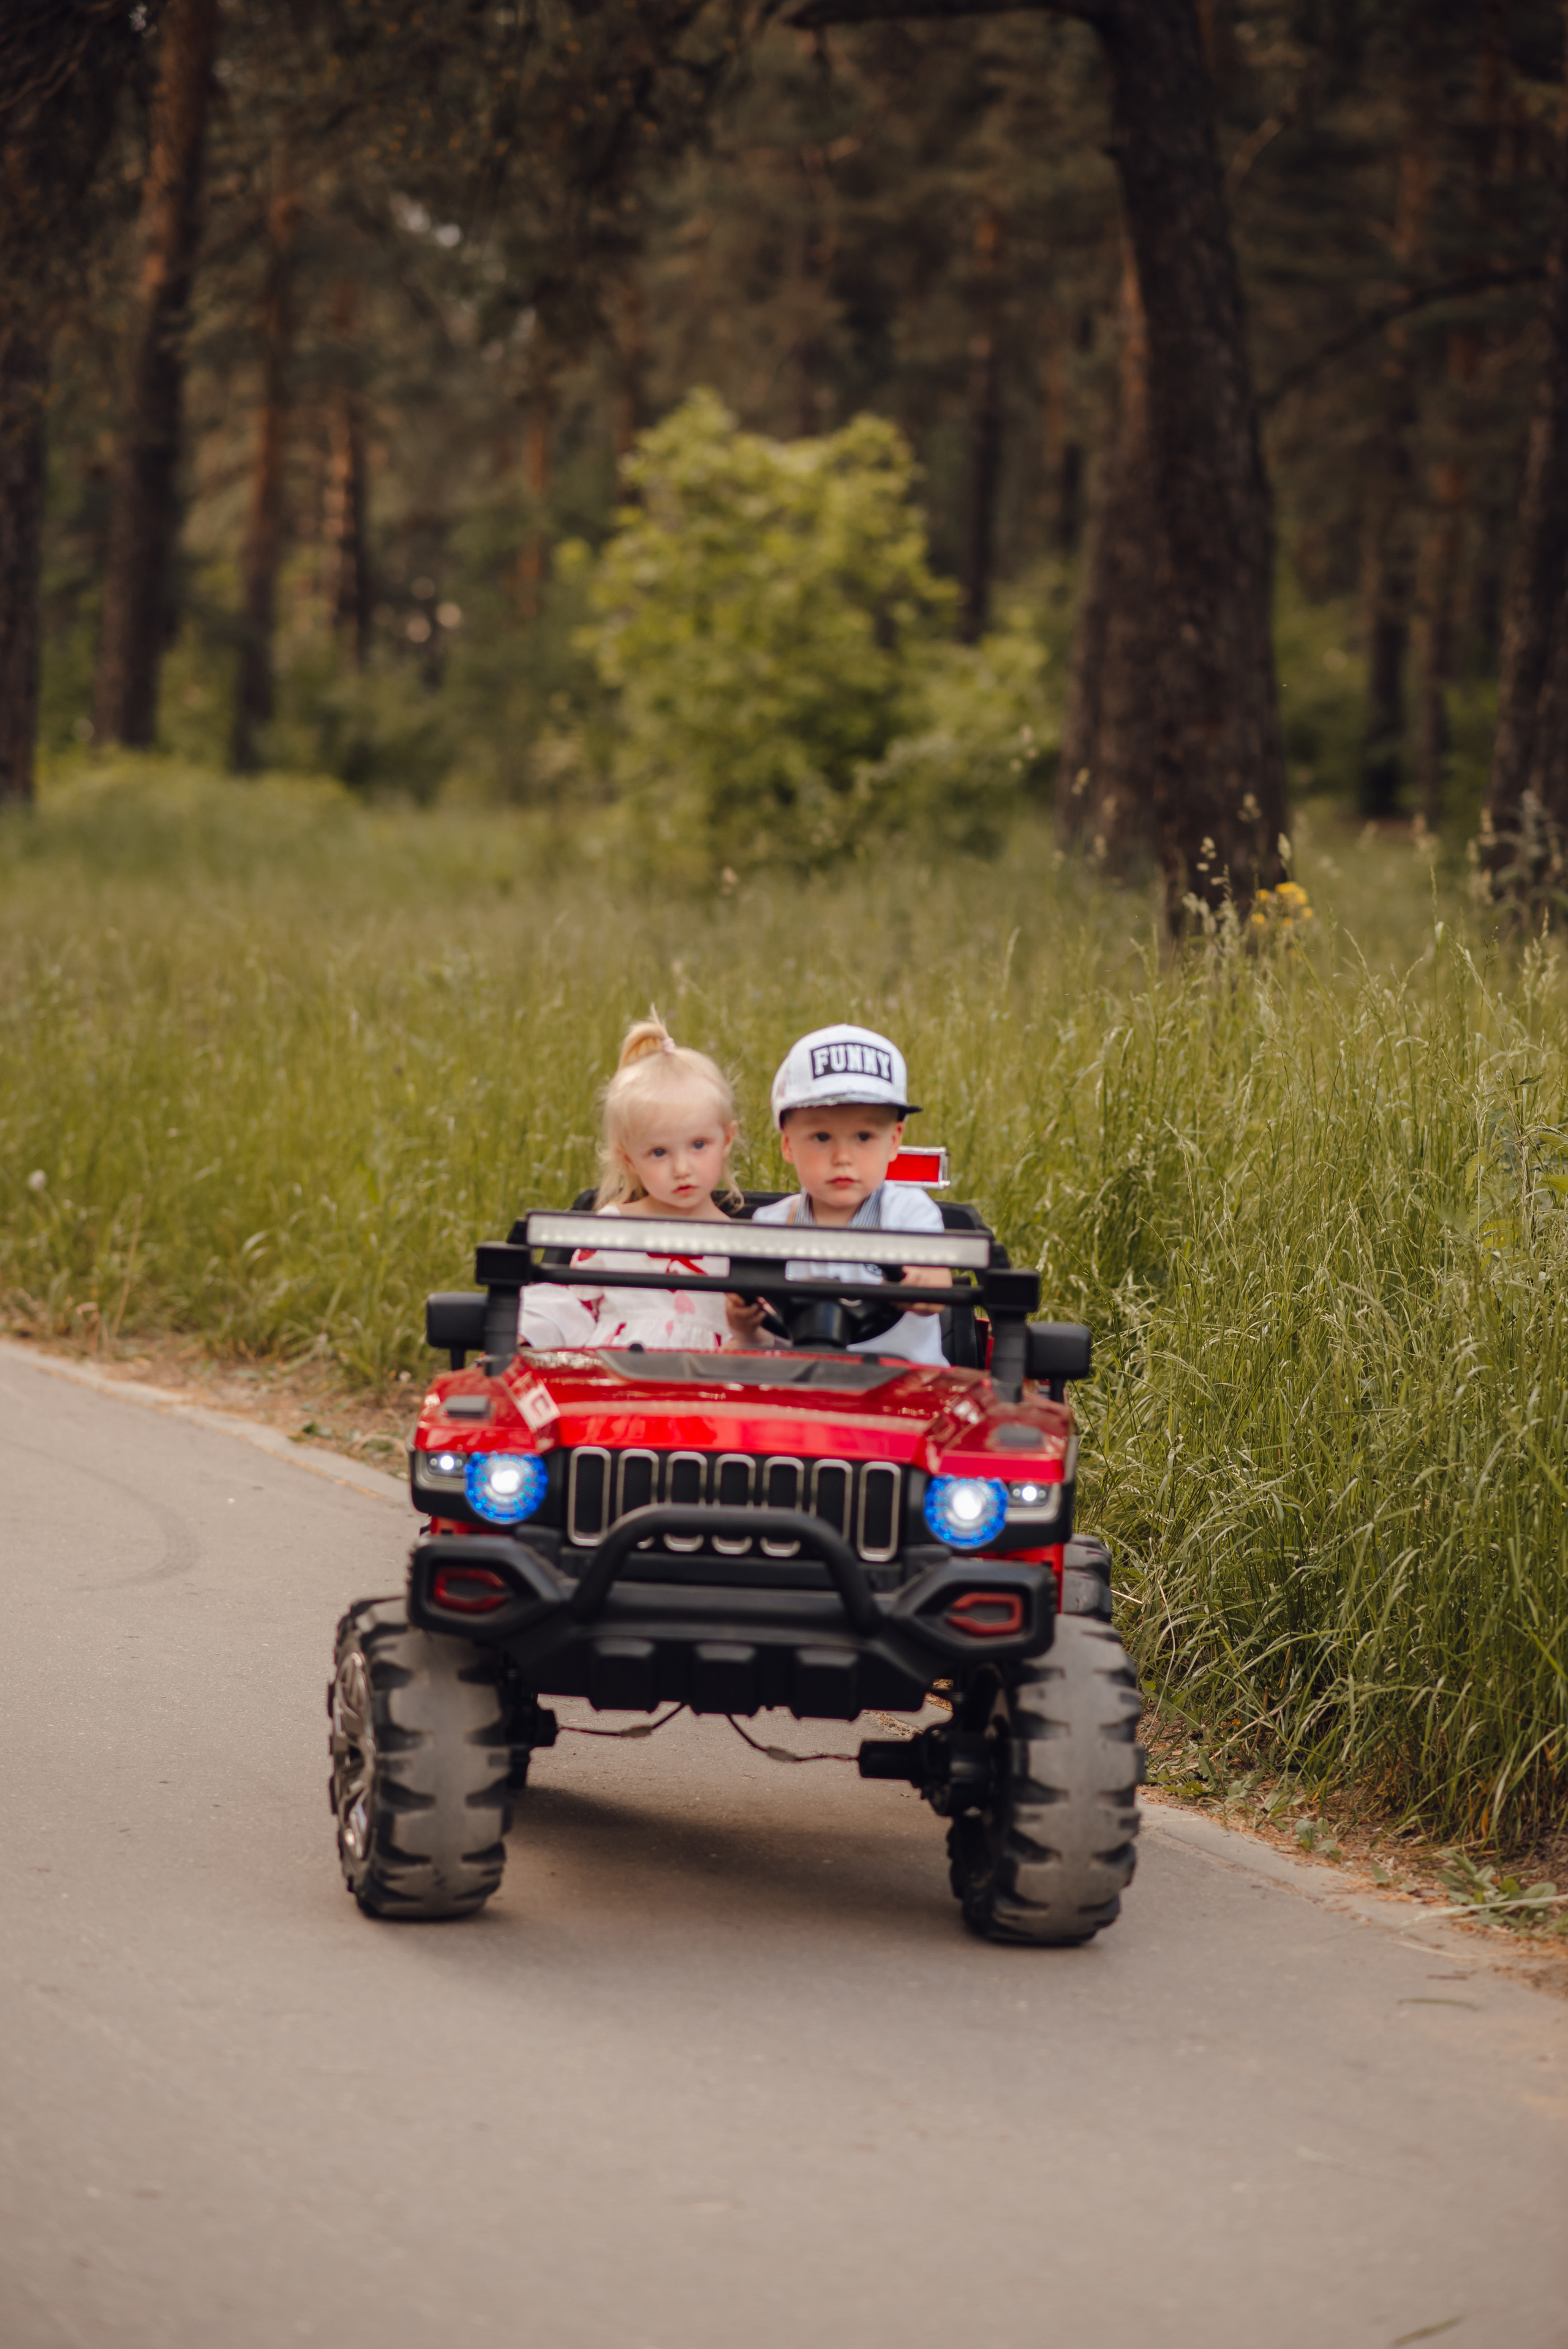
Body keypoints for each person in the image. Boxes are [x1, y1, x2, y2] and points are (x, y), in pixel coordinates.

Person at [727, 1023, 951, 1364]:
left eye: (863, 1137)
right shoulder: (771, 1224)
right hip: (800, 1392)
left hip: (903, 1395)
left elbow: (938, 1287)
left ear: (894, 1141)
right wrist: (744, 1325)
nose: (842, 1158)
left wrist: (922, 1284)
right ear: (788, 1145)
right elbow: (762, 1341)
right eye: (821, 1137)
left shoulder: (909, 1213)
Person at [518, 1013, 739, 1353]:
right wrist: (533, 1330)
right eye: (659, 1152)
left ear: (726, 1140)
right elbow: (575, 1305)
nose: (682, 1168)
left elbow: (763, 1336)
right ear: (628, 1160)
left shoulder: (745, 1245)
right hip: (616, 1383)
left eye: (698, 1145)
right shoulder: (613, 1230)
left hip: (707, 1389)